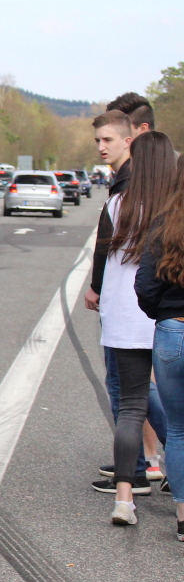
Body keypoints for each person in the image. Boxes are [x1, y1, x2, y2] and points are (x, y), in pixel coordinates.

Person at [85, 108, 169, 494]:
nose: (101, 147)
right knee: (139, 391)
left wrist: (97, 286)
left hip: (132, 304)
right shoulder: (132, 183)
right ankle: (139, 467)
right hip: (146, 304)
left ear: (130, 139)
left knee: (131, 393)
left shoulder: (128, 188)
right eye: (98, 140)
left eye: (108, 140)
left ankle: (135, 472)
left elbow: (108, 245)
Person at [134, 151, 184, 541]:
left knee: (180, 430)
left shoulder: (165, 223)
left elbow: (145, 285)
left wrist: (163, 314)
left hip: (172, 332)